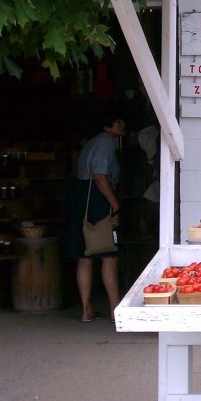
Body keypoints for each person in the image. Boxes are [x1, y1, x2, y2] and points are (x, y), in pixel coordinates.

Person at [65, 111, 126, 323]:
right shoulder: (106, 141)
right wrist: (115, 205)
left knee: (85, 255)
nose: (123, 124)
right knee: (109, 254)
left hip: (82, 198)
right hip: (98, 200)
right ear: (107, 125)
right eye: (118, 120)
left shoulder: (90, 143)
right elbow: (100, 176)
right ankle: (115, 308)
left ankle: (86, 310)